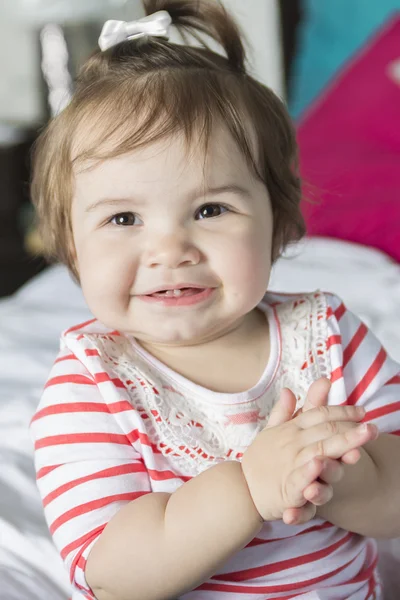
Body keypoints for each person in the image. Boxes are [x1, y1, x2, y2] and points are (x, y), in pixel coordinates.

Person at [29, 1, 400, 599]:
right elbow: (117, 575)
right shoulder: (92, 385)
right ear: (72, 245)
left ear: (278, 222)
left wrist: (339, 476)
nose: (170, 249)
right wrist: (251, 487)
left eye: (210, 210)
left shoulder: (330, 334)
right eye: (123, 217)